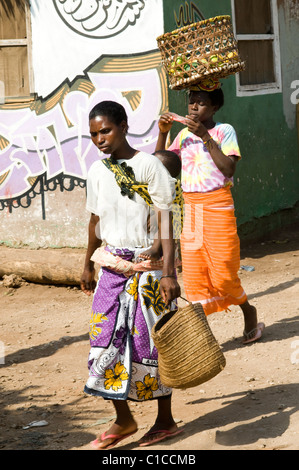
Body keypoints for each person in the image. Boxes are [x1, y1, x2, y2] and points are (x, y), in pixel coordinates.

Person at [80, 100, 182, 450]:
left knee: (153, 345)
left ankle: (165, 420)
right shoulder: (96, 171)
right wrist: (85, 265)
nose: (100, 139)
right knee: (102, 343)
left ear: (124, 125)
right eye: (94, 134)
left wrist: (168, 273)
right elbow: (95, 220)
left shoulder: (149, 165)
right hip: (112, 267)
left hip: (149, 270)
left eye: (105, 130)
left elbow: (167, 221)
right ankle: (124, 419)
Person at [155, 79, 265, 345]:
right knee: (194, 277)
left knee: (225, 273)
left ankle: (248, 311)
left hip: (218, 207)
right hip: (191, 209)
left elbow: (229, 169)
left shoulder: (224, 131)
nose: (194, 106)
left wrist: (204, 135)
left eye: (201, 101)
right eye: (191, 100)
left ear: (214, 106)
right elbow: (161, 165)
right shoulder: (182, 136)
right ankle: (203, 340)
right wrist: (162, 131)